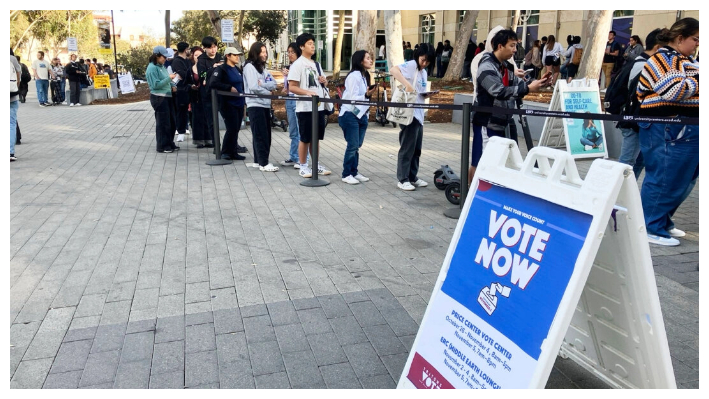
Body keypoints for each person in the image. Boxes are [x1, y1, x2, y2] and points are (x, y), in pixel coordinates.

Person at [636, 17, 698, 246]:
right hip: (668, 127)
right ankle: (649, 225)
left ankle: (661, 221)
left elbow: (682, 86)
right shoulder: (662, 59)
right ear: (680, 38)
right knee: (664, 176)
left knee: (682, 179)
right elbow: (674, 89)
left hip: (683, 127)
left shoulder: (685, 60)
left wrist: (692, 78)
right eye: (695, 39)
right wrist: (698, 78)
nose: (697, 44)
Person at [470, 29, 548, 186]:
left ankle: (482, 194)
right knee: (480, 162)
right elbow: (498, 91)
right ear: (500, 46)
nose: (515, 50)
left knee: (494, 163)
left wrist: (537, 84)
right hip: (486, 122)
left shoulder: (505, 66)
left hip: (500, 122)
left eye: (515, 45)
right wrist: (528, 88)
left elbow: (516, 86)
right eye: (512, 46)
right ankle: (470, 194)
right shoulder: (486, 66)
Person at [617, 29, 663, 179]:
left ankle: (627, 195)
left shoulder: (644, 62)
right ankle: (617, 195)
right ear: (657, 48)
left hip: (640, 121)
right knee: (627, 162)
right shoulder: (644, 65)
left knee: (637, 161)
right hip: (633, 121)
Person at [390, 43, 436, 191]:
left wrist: (427, 94)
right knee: (407, 147)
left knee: (416, 149)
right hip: (409, 113)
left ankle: (412, 176)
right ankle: (402, 178)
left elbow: (419, 91)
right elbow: (393, 70)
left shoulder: (423, 72)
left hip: (419, 113)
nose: (424, 63)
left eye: (428, 61)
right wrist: (407, 85)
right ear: (418, 56)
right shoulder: (411, 65)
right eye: (423, 59)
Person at [287, 32, 332, 178]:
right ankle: (303, 165)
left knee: (316, 138)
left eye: (313, 43)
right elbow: (292, 87)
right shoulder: (297, 64)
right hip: (305, 107)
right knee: (305, 138)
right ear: (301, 46)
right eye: (309, 43)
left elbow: (323, 84)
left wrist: (324, 81)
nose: (313, 46)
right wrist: (307, 93)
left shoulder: (316, 65)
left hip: (318, 106)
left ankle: (315, 164)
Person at [338, 49, 377, 185]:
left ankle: (354, 172)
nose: (370, 60)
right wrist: (366, 95)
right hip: (350, 114)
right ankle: (346, 173)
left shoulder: (363, 75)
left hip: (361, 114)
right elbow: (353, 98)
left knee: (357, 145)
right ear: (360, 60)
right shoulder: (354, 76)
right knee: (353, 145)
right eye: (367, 58)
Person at [243, 42, 279, 172]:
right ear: (255, 53)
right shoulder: (249, 67)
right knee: (261, 135)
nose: (265, 54)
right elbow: (253, 87)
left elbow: (274, 83)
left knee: (265, 134)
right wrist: (267, 92)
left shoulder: (262, 68)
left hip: (264, 105)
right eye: (262, 52)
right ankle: (264, 163)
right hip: (255, 104)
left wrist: (262, 83)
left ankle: (258, 161)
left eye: (265, 52)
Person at [209, 47, 247, 162]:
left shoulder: (237, 69)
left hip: (239, 103)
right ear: (228, 56)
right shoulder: (221, 69)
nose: (237, 57)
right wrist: (228, 88)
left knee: (236, 128)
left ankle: (233, 151)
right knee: (231, 128)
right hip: (228, 103)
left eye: (238, 55)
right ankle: (225, 152)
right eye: (234, 55)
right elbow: (213, 83)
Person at [146, 45, 179, 154]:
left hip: (167, 96)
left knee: (171, 122)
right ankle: (162, 145)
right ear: (157, 56)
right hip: (159, 97)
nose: (165, 59)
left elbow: (166, 80)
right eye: (164, 57)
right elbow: (155, 85)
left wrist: (173, 85)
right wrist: (169, 78)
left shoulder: (162, 66)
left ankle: (169, 142)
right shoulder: (152, 68)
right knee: (163, 123)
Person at [280, 42, 305, 167]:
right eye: (288, 52)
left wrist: (288, 75)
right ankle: (293, 156)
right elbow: (288, 87)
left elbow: (301, 83)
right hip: (289, 98)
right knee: (293, 130)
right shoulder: (290, 66)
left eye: (292, 52)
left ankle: (302, 159)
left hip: (298, 99)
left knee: (300, 129)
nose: (290, 54)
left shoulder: (300, 65)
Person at [196, 36, 223, 148]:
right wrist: (213, 68)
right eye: (210, 48)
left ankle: (232, 145)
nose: (213, 50)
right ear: (205, 48)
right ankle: (216, 145)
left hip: (222, 92)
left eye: (215, 47)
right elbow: (202, 75)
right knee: (212, 121)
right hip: (208, 94)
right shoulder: (201, 60)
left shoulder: (220, 57)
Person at [171, 42, 192, 143]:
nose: (189, 51)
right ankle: (181, 132)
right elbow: (184, 74)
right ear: (185, 50)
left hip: (190, 89)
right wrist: (189, 76)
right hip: (181, 90)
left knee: (192, 112)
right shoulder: (176, 61)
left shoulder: (188, 61)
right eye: (188, 49)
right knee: (181, 111)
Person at [189, 46, 209, 148]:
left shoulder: (206, 66)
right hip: (195, 96)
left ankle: (208, 139)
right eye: (196, 55)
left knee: (207, 117)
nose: (198, 57)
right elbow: (187, 82)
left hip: (205, 95)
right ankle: (199, 140)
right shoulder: (191, 68)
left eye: (200, 55)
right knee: (197, 118)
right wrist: (192, 86)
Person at [11, 49, 21, 162]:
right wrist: (16, 85)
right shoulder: (12, 59)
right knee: (11, 123)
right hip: (12, 95)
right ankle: (10, 152)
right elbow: (19, 74)